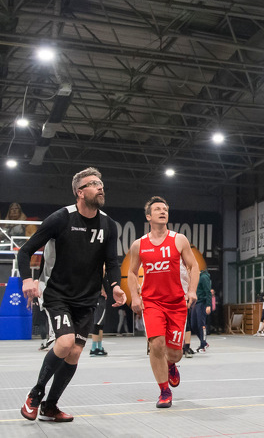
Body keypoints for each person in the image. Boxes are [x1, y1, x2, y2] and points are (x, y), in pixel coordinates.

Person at [18, 167, 126, 422]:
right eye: (94, 183)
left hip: (87, 298)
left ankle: (50, 407)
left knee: (75, 352)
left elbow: (111, 262)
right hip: (56, 293)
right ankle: (35, 394)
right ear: (80, 192)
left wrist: (115, 286)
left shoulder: (109, 224)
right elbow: (25, 251)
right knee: (65, 343)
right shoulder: (61, 218)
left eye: (101, 183)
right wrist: (27, 280)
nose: (100, 187)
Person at [127, 196, 199, 408]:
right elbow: (132, 273)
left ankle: (170, 365)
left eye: (165, 209)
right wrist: (135, 297)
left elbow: (194, 266)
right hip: (152, 303)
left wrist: (192, 291)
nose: (162, 211)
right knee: (156, 344)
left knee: (175, 354)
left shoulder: (179, 240)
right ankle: (164, 391)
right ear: (149, 216)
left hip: (176, 303)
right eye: (157, 209)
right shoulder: (139, 244)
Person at [192, 269, 212, 353]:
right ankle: (204, 342)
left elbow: (208, 292)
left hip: (202, 303)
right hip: (196, 303)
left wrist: (208, 305)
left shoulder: (203, 277)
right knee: (193, 325)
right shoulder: (195, 279)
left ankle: (203, 345)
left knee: (201, 324)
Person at [89, 286, 109, 356]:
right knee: (97, 324)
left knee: (100, 325)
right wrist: (102, 289)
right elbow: (98, 280)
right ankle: (93, 349)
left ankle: (99, 347)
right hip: (99, 298)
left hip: (100, 298)